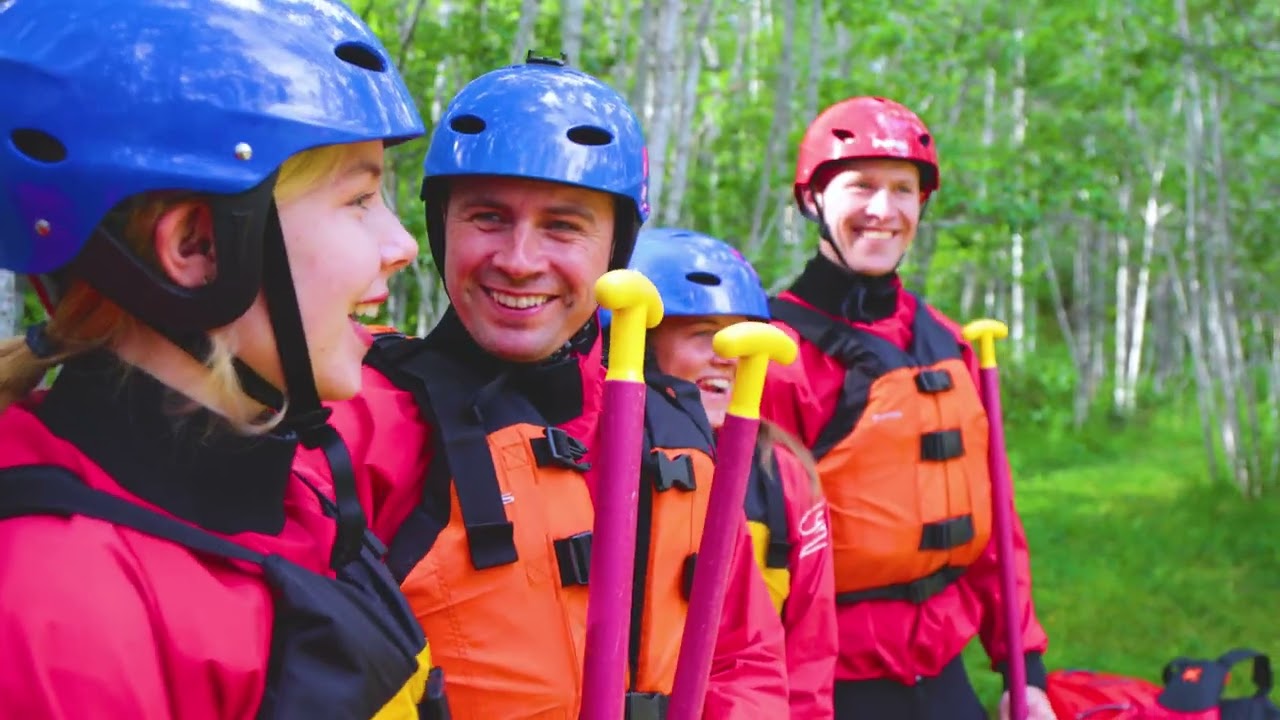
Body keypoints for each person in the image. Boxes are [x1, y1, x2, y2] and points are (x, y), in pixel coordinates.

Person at [0, 1, 449, 717]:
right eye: (360, 199)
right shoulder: (61, 606)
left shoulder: (290, 480)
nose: (401, 246)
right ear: (199, 248)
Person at [324, 55, 790, 719]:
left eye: (563, 226)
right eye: (487, 216)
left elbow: (744, 658)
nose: (518, 261)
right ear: (441, 227)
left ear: (615, 249)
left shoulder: (681, 436)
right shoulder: (361, 423)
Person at [759, 95, 1057, 719]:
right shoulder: (776, 356)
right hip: (829, 681)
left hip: (943, 673)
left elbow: (994, 518)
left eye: (902, 189)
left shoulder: (948, 341)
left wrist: (1022, 668)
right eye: (860, 186)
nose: (882, 210)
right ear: (812, 199)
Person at [617, 227, 839, 719]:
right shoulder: (600, 460)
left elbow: (808, 653)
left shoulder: (783, 475)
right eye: (705, 334)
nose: (731, 356)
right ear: (638, 341)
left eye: (744, 335)